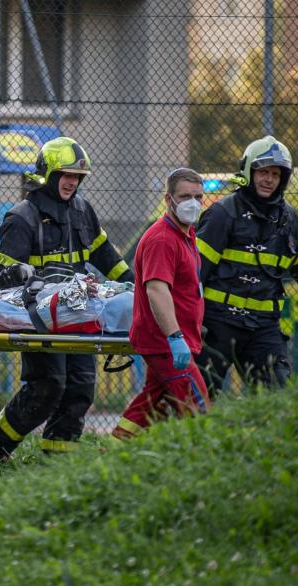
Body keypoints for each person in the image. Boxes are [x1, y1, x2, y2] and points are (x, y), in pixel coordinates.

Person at [0, 136, 134, 461]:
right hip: (40, 319)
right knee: (47, 387)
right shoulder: (21, 217)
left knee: (81, 387)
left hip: (79, 317)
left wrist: (133, 283)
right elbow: (6, 275)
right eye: (65, 175)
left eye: (77, 177)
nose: (72, 182)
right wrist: (25, 276)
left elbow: (104, 254)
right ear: (47, 174)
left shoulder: (82, 211)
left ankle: (57, 460)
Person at [194, 136, 298, 393]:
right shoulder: (224, 213)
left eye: (275, 174)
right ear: (248, 171)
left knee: (276, 395)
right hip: (218, 322)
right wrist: (191, 318)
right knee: (200, 394)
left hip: (264, 327)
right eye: (263, 172)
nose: (269, 179)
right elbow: (195, 271)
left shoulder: (289, 219)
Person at [112, 168, 211, 439]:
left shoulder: (185, 236)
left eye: (198, 196)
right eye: (185, 196)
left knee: (151, 406)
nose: (193, 203)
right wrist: (175, 335)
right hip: (165, 342)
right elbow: (157, 290)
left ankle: (111, 457)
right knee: (197, 408)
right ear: (169, 200)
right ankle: (202, 461)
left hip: (173, 339)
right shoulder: (162, 239)